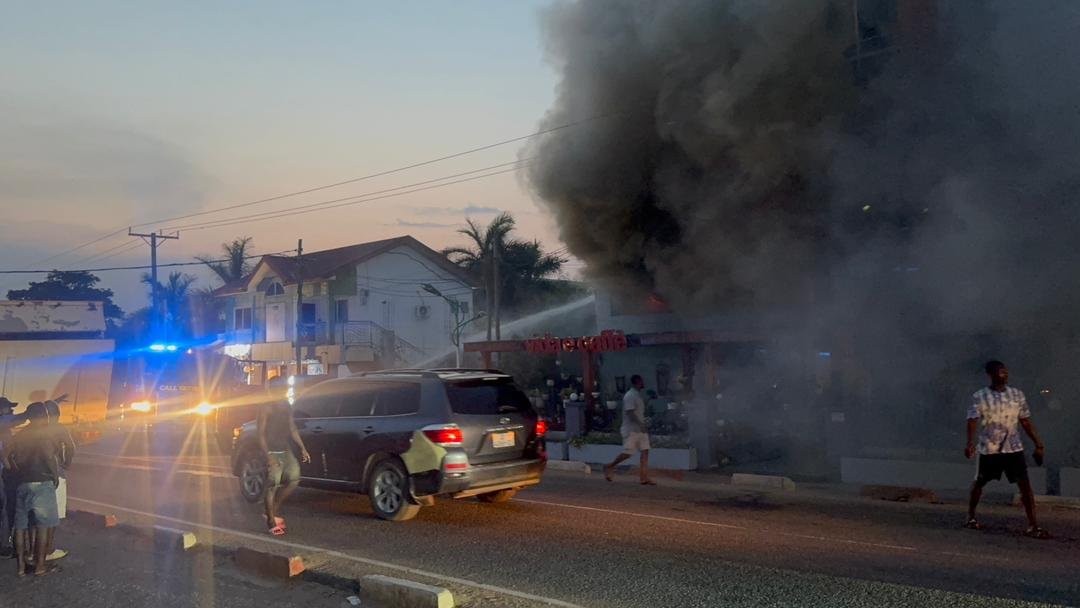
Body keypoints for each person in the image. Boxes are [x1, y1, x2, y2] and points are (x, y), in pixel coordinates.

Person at [965, 360, 1048, 538]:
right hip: (990, 448)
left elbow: (1025, 420)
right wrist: (970, 443)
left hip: (1013, 447)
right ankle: (970, 516)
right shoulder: (980, 396)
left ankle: (1033, 525)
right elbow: (972, 420)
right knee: (980, 482)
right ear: (990, 375)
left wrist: (1038, 443)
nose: (1004, 374)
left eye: (1005, 371)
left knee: (1025, 486)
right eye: (1000, 372)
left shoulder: (1017, 395)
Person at [3, 402, 61, 576]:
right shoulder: (44, 435)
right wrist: (55, 476)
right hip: (42, 482)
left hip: (22, 483)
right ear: (43, 416)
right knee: (43, 525)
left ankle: (21, 567)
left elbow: (5, 456)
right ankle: (40, 566)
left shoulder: (19, 435)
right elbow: (49, 457)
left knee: (20, 526)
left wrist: (14, 470)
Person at [257, 398, 310, 536]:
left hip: (285, 449)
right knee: (272, 485)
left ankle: (272, 511)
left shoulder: (286, 406)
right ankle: (271, 522)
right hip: (271, 451)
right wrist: (268, 456)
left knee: (294, 479)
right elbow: (260, 434)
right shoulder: (267, 408)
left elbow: (292, 428)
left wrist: (303, 448)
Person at [604, 374, 656, 485]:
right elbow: (630, 412)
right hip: (631, 430)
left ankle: (644, 477)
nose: (643, 383)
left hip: (640, 429)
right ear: (637, 382)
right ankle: (610, 466)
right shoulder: (630, 395)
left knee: (645, 451)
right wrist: (640, 424)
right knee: (628, 453)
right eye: (641, 381)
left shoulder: (637, 395)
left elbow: (637, 411)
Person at [42, 397, 74, 562]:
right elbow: (70, 447)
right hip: (56, 473)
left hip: (37, 474)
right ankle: (48, 550)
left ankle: (34, 550)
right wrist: (66, 463)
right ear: (57, 414)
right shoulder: (60, 428)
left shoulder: (36, 429)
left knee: (39, 516)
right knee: (53, 515)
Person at [0, 397, 22, 556]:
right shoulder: (4, 428)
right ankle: (4, 545)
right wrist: (11, 468)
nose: (12, 411)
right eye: (9, 408)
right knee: (5, 509)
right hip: (2, 475)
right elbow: (4, 455)